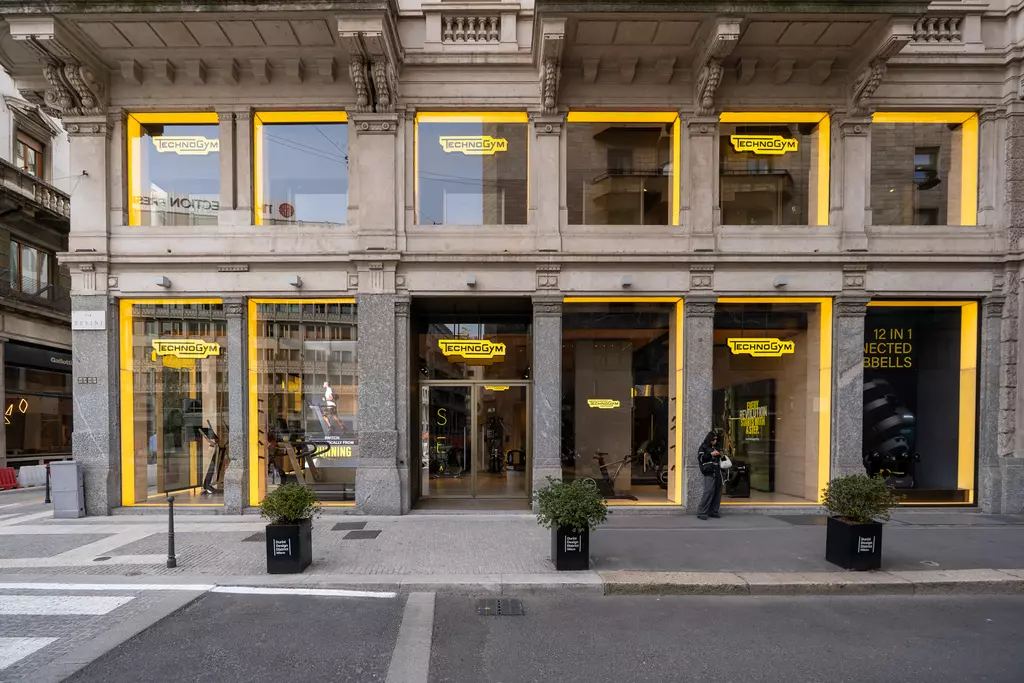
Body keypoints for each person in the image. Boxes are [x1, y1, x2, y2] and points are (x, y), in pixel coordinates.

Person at [696, 430, 725, 520]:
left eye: (716, 439)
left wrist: (721, 454)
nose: (715, 441)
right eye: (713, 439)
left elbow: (723, 458)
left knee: (718, 492)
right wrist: (711, 454)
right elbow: (701, 458)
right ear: (709, 439)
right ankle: (702, 512)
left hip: (718, 470)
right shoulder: (703, 447)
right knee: (709, 491)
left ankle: (713, 511)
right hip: (709, 471)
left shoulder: (718, 447)